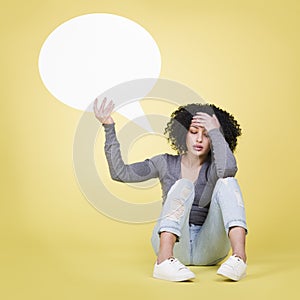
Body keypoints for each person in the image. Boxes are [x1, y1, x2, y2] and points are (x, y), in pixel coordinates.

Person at [94, 97, 248, 282]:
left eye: (206, 134)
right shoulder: (165, 163)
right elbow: (121, 173)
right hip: (174, 246)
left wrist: (216, 130)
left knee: (227, 182)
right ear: (183, 133)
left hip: (210, 247)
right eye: (193, 132)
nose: (199, 139)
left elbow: (229, 170)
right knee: (184, 185)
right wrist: (108, 127)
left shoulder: (217, 166)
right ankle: (163, 261)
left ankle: (239, 258)